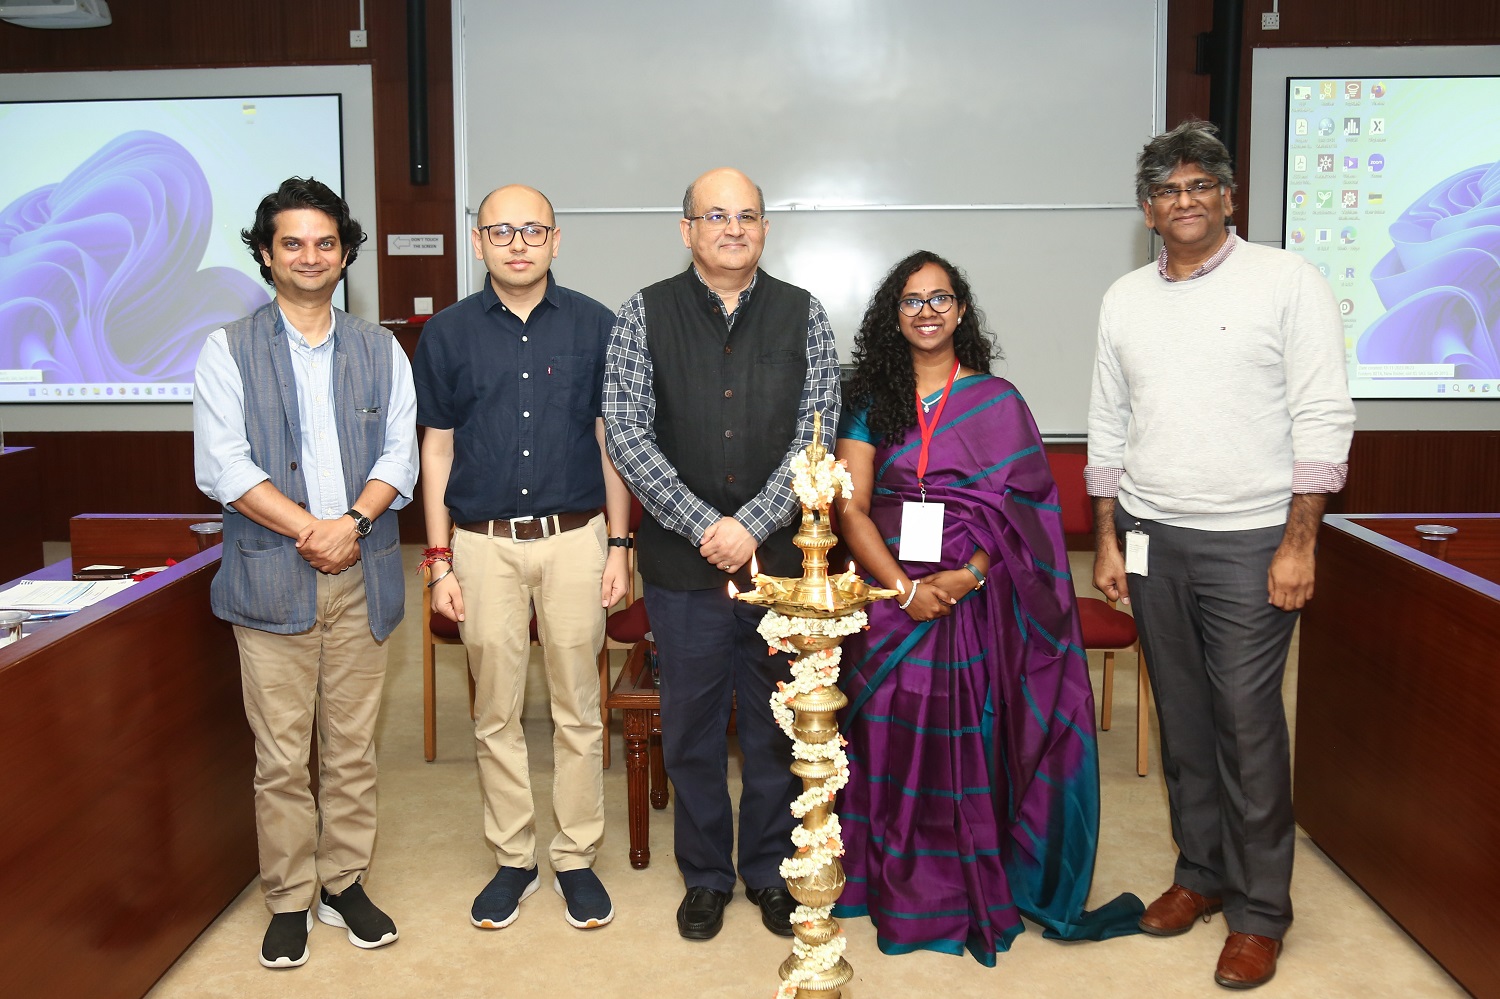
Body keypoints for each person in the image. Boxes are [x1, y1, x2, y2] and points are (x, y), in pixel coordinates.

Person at [1087, 120, 1355, 989]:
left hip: (1253, 539)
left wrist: (1299, 541)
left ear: (1229, 197)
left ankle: (1261, 912)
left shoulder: (1289, 279)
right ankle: (1201, 875)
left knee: (1247, 722)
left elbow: (1322, 415)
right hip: (1153, 534)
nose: (1185, 200)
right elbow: (1109, 423)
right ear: (1147, 209)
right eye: (1168, 190)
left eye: (1202, 185)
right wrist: (1107, 538)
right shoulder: (1124, 297)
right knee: (1185, 719)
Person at [831, 250, 1143, 964]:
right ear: (894, 315)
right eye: (912, 300)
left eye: (941, 298)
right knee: (887, 730)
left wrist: (965, 577)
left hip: (976, 599)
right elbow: (850, 507)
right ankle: (892, 878)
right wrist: (905, 590)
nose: (928, 311)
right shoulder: (870, 401)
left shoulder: (999, 402)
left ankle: (962, 878)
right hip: (889, 594)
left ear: (962, 311)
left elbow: (1025, 512)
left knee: (967, 733)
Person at [603, 167, 841, 941]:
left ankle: (770, 869)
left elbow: (819, 432)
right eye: (715, 215)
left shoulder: (804, 315)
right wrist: (709, 524)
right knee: (694, 726)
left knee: (777, 725)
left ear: (765, 229)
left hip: (779, 570)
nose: (732, 228)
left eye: (747, 216)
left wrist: (754, 523)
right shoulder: (643, 314)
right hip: (683, 567)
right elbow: (628, 434)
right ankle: (705, 874)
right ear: (687, 230)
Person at [193, 177, 417, 968]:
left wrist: (351, 524)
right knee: (282, 757)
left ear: (346, 253)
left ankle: (343, 882)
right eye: (292, 243)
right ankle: (289, 895)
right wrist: (312, 532)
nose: (310, 256)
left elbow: (401, 453)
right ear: (265, 253)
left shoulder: (379, 347)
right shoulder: (226, 349)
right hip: (271, 574)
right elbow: (224, 465)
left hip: (365, 570)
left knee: (352, 748)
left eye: (326, 242)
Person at [413, 184, 631, 931]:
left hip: (576, 539)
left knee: (579, 709)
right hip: (482, 546)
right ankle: (514, 856)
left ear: (556, 240)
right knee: (494, 710)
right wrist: (439, 558)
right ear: (477, 242)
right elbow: (436, 446)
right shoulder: (445, 334)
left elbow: (613, 444)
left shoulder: (598, 325)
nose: (517, 243)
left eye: (531, 230)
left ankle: (574, 856)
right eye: (500, 230)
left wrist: (621, 545)